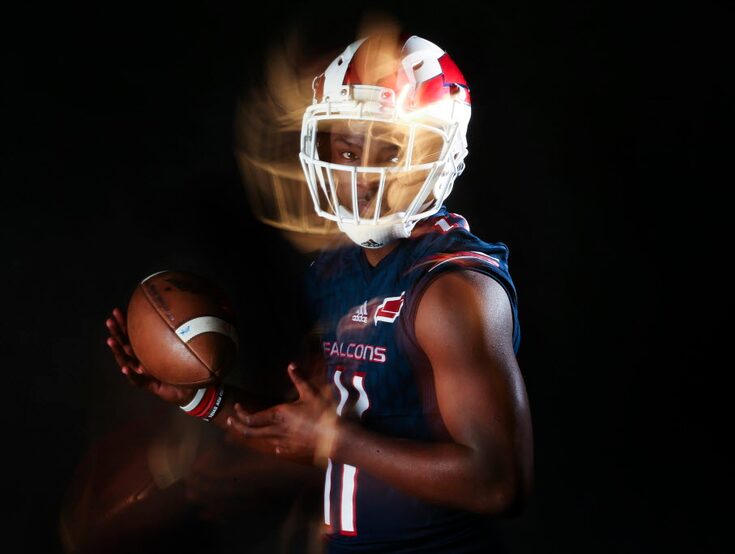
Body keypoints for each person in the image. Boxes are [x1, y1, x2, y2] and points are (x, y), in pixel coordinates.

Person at [105, 33, 533, 553]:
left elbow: (498, 483)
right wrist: (200, 397)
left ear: (438, 154)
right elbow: (305, 432)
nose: (363, 175)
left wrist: (336, 439)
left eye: (390, 151)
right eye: (348, 150)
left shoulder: (452, 289)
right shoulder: (336, 274)